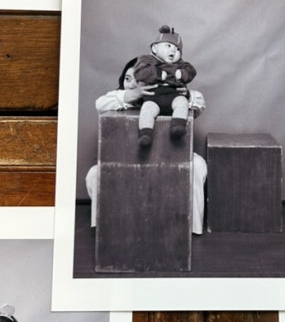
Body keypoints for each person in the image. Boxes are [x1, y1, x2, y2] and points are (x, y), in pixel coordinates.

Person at [85, 58, 209, 234]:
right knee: (94, 173)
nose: (132, 84)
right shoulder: (120, 97)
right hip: (132, 158)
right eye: (127, 79)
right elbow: (100, 104)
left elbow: (199, 102)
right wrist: (131, 96)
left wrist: (184, 95)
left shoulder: (168, 94)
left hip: (171, 156)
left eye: (137, 79)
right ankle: (103, 228)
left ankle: (191, 229)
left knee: (198, 165)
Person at [133, 25, 197, 147]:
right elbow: (139, 72)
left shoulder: (180, 64)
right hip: (153, 97)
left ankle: (178, 126)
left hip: (173, 96)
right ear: (155, 48)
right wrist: (157, 74)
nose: (173, 51)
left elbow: (191, 71)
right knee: (147, 110)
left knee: (182, 102)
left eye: (177, 49)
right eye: (168, 46)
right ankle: (145, 134)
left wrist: (182, 73)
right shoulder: (147, 60)